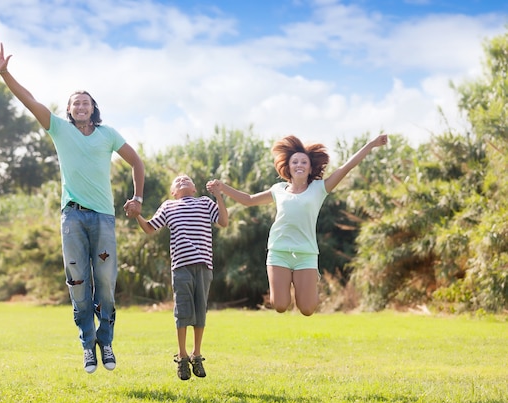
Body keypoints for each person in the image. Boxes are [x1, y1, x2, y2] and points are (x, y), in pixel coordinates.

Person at [0, 42, 145, 374]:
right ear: (69, 110)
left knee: (105, 281)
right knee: (78, 282)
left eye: (86, 102)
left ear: (93, 108)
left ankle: (107, 340)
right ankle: (88, 345)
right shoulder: (58, 128)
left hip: (103, 216)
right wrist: (4, 73)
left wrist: (138, 197)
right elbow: (29, 100)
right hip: (72, 215)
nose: (81, 106)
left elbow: (136, 162)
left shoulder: (107, 135)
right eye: (75, 103)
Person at [207, 133, 388, 315]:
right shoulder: (278, 190)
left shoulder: (320, 188)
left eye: (303, 162)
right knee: (280, 305)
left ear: (310, 168)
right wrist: (223, 188)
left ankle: (309, 285)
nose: (299, 165)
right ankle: (288, 283)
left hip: (306, 252)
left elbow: (346, 167)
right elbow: (248, 199)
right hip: (279, 250)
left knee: (307, 309)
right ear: (288, 167)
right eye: (295, 162)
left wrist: (371, 145)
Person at [135, 175, 228, 380]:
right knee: (183, 310)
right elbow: (150, 228)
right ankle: (183, 356)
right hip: (181, 267)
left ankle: (197, 353)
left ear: (194, 189)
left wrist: (219, 196)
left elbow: (223, 221)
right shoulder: (169, 207)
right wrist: (137, 216)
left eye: (187, 179)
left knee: (200, 310)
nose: (182, 180)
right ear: (173, 192)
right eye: (177, 181)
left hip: (204, 266)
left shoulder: (205, 202)